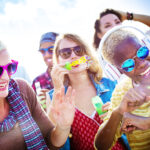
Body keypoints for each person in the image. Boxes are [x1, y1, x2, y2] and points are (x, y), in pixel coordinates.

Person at [48, 33, 129, 150]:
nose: (73, 56)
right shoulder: (52, 96)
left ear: (87, 55)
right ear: (58, 60)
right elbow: (53, 143)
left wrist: (119, 118)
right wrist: (57, 89)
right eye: (65, 53)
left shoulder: (111, 84)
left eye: (78, 50)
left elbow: (133, 125)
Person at [0, 40, 76, 150]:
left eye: (9, 67)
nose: (6, 77)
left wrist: (63, 126)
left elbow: (50, 141)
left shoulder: (22, 89)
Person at [95, 26, 150, 150]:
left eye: (142, 52)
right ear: (118, 71)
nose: (141, 63)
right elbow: (101, 146)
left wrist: (145, 122)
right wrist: (118, 112)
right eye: (128, 64)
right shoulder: (121, 92)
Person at [93, 9, 150, 82]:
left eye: (117, 22)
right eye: (108, 25)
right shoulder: (106, 71)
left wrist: (128, 16)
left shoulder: (141, 43)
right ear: (100, 35)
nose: (115, 27)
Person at [32, 32, 58, 110]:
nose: (46, 55)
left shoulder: (73, 76)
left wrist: (53, 99)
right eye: (43, 51)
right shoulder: (37, 81)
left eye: (51, 50)